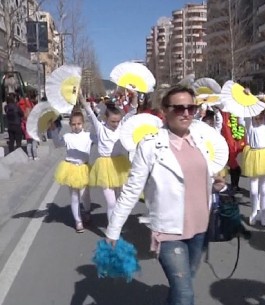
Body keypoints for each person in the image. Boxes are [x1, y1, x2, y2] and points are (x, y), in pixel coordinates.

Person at [105, 86, 226, 305]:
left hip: (200, 228)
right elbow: (132, 190)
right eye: (179, 108)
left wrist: (215, 185)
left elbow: (198, 179)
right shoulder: (150, 145)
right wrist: (113, 230)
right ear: (165, 111)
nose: (186, 113)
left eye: (191, 107)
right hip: (168, 231)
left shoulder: (200, 140)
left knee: (183, 285)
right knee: (185, 295)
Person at [82, 89, 138, 222]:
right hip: (105, 166)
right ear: (106, 119)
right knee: (111, 202)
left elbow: (132, 111)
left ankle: (117, 226)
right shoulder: (100, 127)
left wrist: (134, 96)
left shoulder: (121, 126)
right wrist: (80, 97)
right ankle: (111, 229)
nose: (116, 124)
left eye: (118, 121)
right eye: (113, 121)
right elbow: (89, 112)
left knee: (119, 201)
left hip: (119, 164)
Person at [49, 110, 95, 233]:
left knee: (85, 194)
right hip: (71, 168)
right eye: (73, 124)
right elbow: (57, 144)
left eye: (79, 123)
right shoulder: (68, 137)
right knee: (74, 197)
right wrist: (53, 129)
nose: (76, 126)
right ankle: (78, 221)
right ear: (70, 124)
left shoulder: (89, 135)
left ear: (83, 123)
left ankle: (87, 211)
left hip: (84, 168)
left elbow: (102, 139)